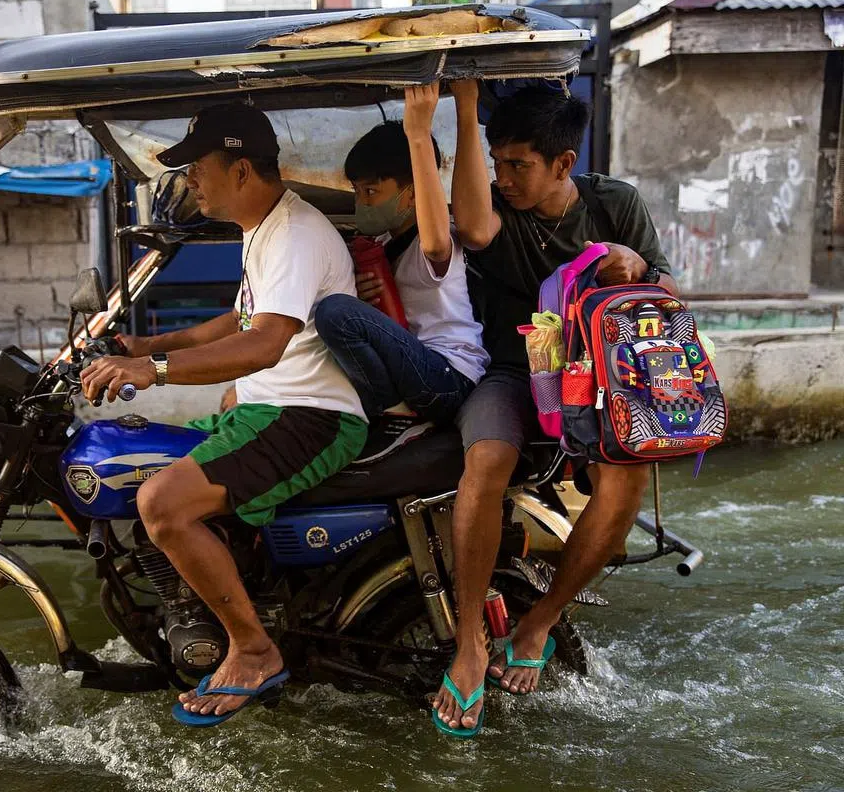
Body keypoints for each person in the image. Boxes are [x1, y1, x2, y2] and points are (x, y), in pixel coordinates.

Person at [79, 101, 368, 726]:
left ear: (240, 169)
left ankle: (254, 648)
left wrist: (149, 373)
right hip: (267, 408)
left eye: (198, 170)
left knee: (162, 503)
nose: (190, 184)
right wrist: (151, 344)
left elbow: (264, 343)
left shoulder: (293, 233)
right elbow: (240, 319)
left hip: (309, 415)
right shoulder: (262, 228)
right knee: (141, 470)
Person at [433, 81, 679, 738]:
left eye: (519, 165)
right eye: (497, 160)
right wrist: (461, 106)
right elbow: (472, 226)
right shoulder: (493, 210)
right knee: (484, 463)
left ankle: (539, 620)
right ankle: (468, 645)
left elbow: (668, 298)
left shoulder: (613, 203)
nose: (505, 177)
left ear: (563, 164)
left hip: (597, 381)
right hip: (513, 374)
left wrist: (632, 268)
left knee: (626, 479)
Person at [316, 82, 488, 463]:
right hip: (413, 367)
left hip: (447, 377)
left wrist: (418, 135)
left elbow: (434, 241)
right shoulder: (379, 245)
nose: (361, 202)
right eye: (357, 191)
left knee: (335, 313)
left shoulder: (438, 246)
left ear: (411, 193)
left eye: (372, 192)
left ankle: (394, 418)